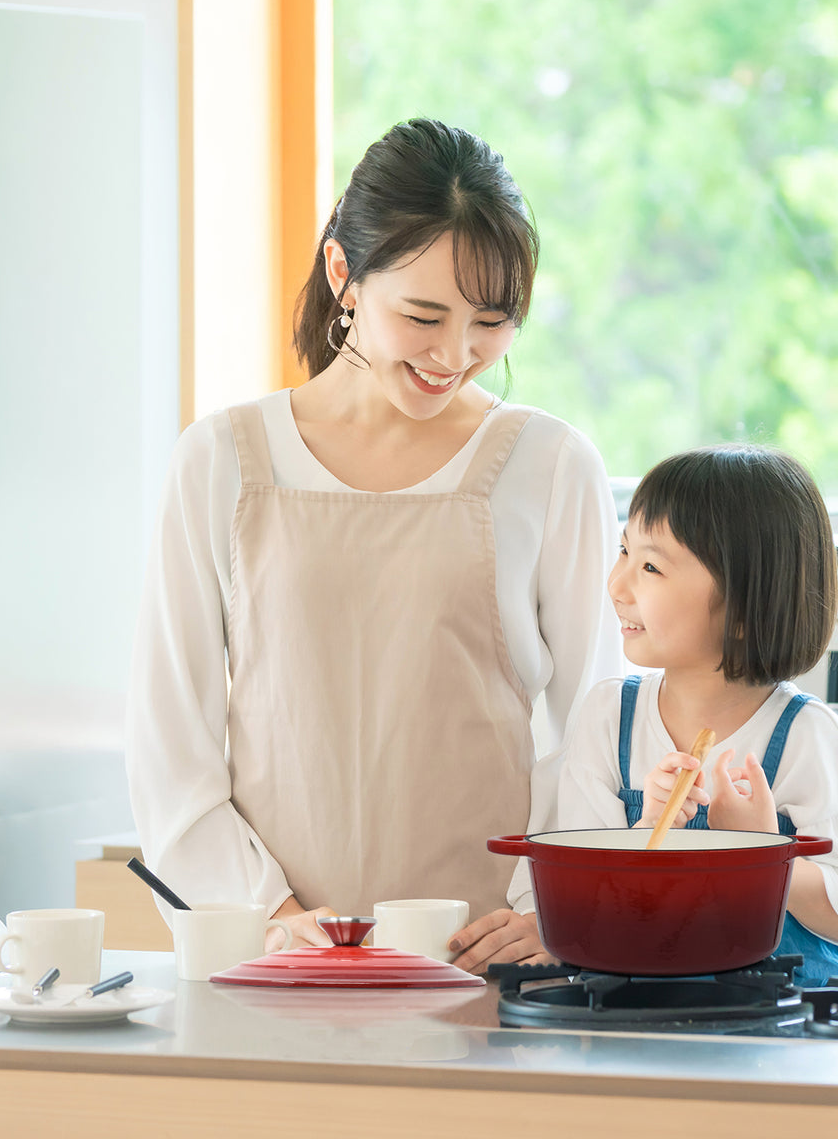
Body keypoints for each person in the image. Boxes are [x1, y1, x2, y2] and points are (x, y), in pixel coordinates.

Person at [126, 119, 621, 973]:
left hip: (486, 962)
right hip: (271, 959)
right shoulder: (220, 461)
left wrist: (556, 911)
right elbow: (170, 739)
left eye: (491, 323)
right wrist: (271, 914)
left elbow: (597, 730)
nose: (455, 355)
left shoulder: (550, 466)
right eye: (422, 315)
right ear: (343, 275)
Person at [557, 444, 838, 985]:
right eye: (623, 552)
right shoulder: (609, 717)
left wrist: (763, 855)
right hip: (639, 1022)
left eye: (650, 566)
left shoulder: (805, 737)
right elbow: (584, 905)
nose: (617, 585)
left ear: (744, 609)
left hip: (783, 1041)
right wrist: (648, 832)